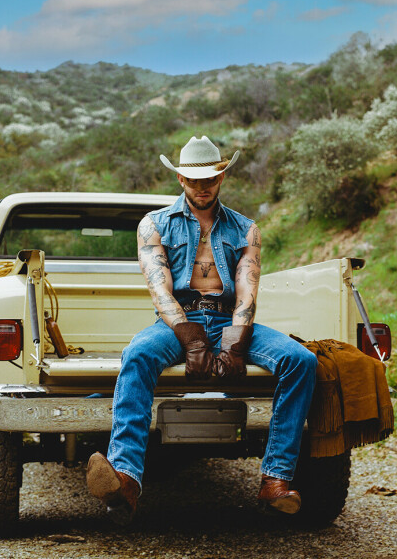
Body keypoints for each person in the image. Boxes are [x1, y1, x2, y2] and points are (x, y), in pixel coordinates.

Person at [85, 136, 319, 524]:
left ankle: (275, 479)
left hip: (230, 319)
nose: (202, 187)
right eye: (193, 180)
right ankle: (125, 479)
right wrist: (190, 338)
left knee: (301, 361)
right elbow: (159, 289)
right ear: (179, 178)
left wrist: (236, 343)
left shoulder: (246, 229)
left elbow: (247, 291)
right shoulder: (153, 224)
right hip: (178, 320)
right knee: (138, 354)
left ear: (222, 176)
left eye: (210, 178)